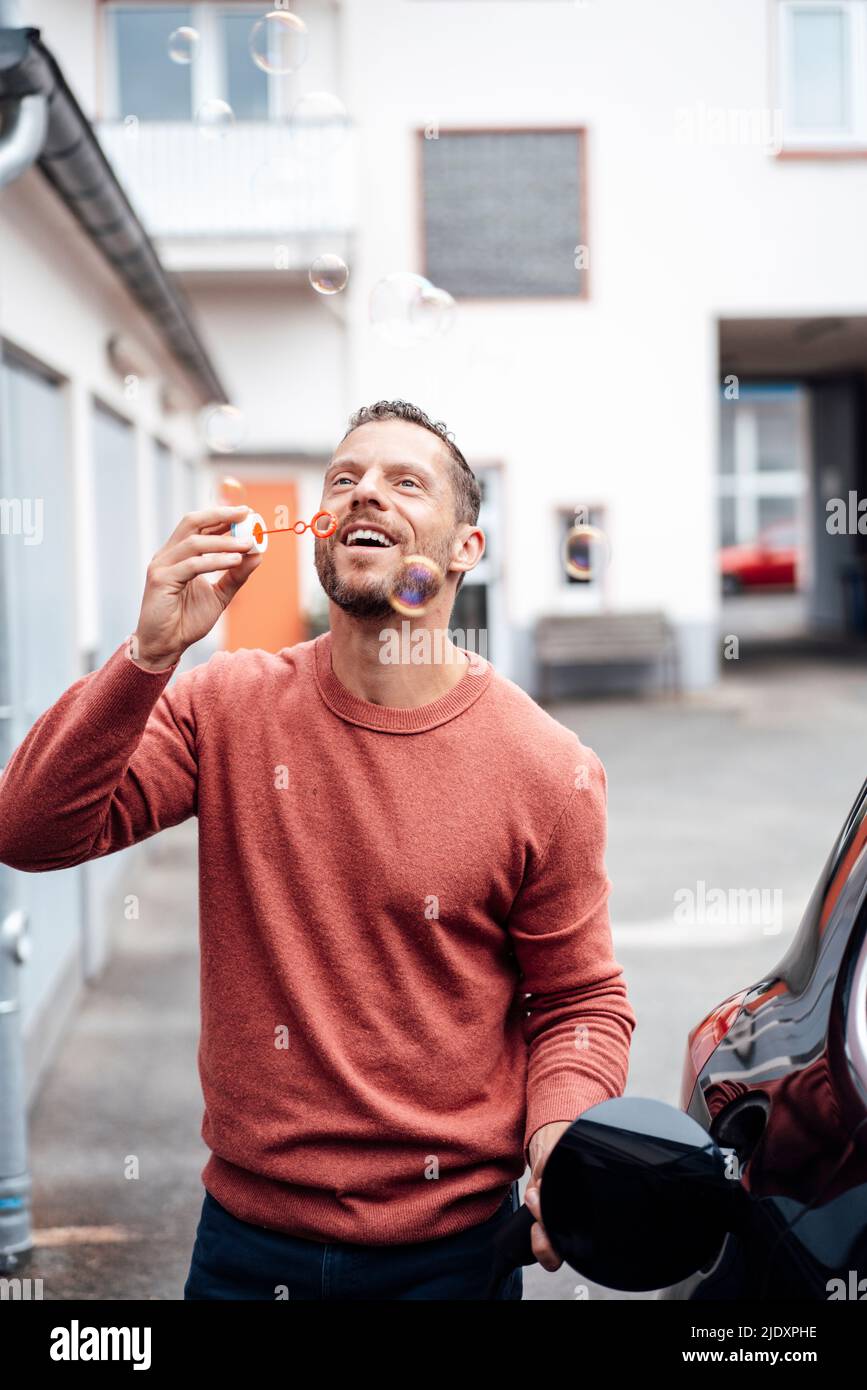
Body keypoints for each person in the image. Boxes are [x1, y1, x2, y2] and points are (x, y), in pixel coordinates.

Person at [0, 399, 637, 1300]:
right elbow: (28, 830)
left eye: (402, 481)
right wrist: (149, 654)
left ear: (465, 549)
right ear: (320, 529)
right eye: (344, 479)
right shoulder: (221, 706)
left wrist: (559, 1134)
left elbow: (576, 999)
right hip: (244, 1249)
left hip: (454, 1255)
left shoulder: (547, 767)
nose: (362, 491)